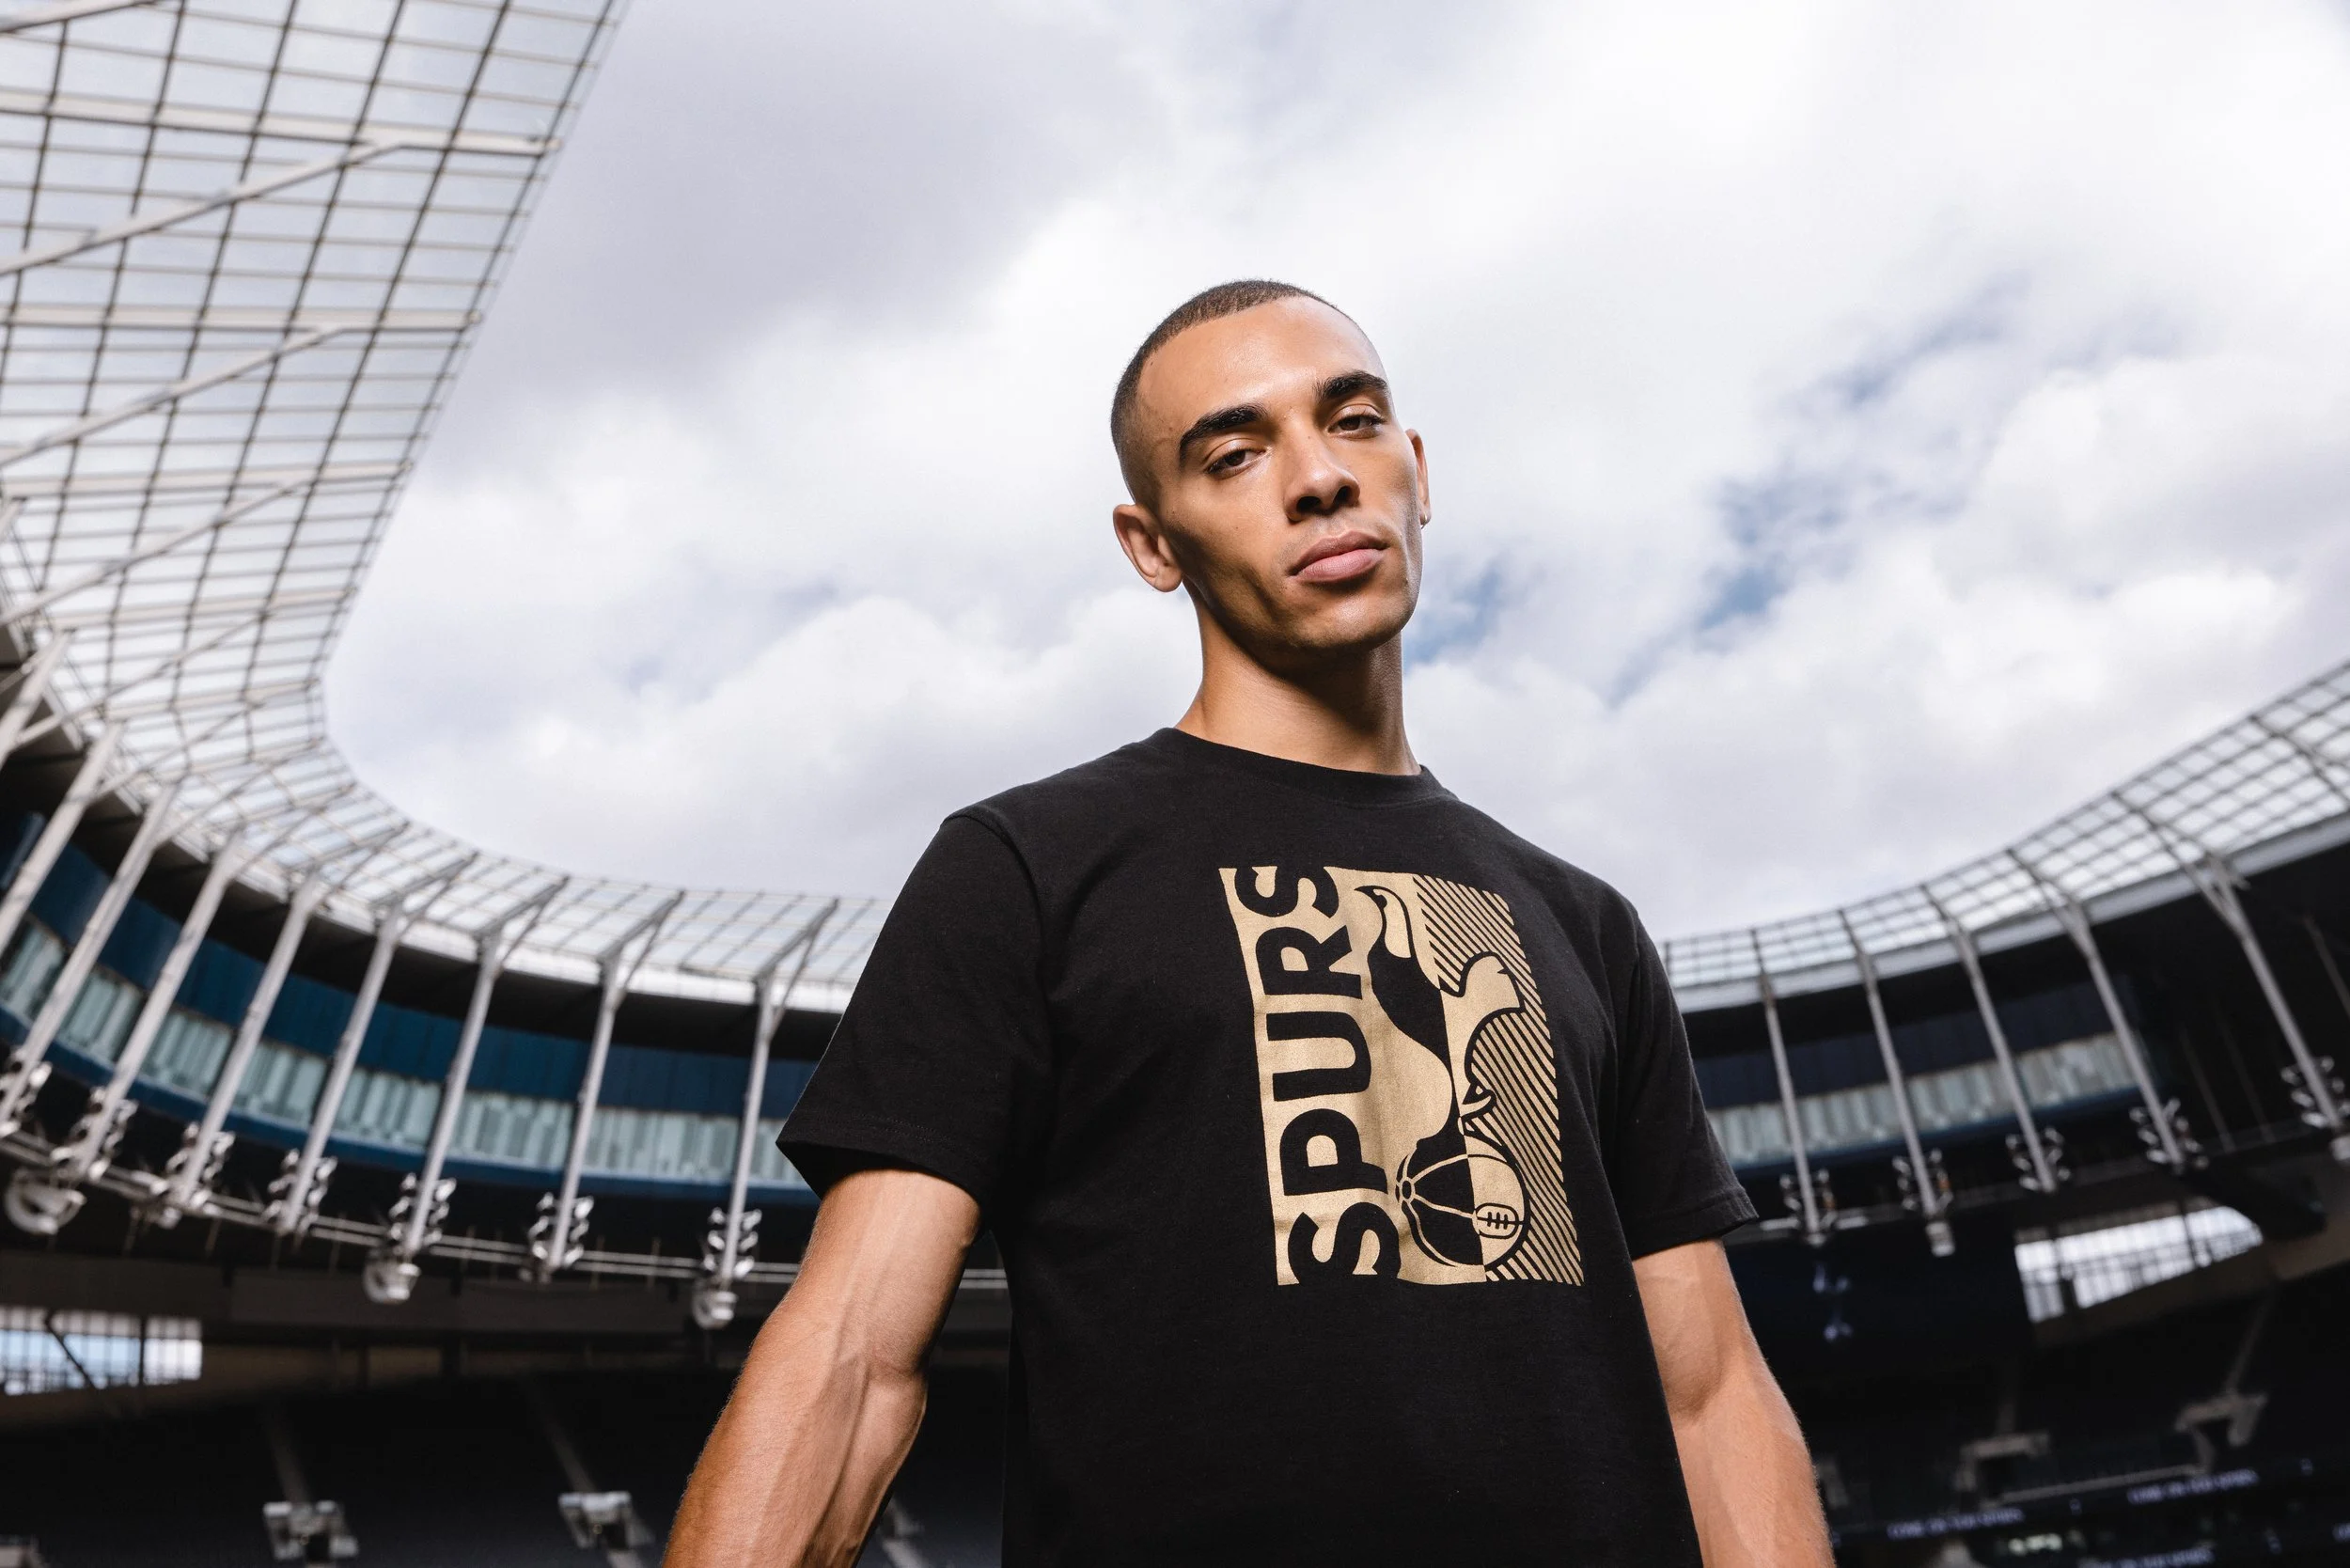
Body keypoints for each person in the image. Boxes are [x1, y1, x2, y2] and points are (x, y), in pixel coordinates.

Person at [665, 281, 1835, 1568]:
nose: (1321, 478)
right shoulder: (1030, 868)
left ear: (1419, 471)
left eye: (1354, 421)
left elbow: (1710, 1396)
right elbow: (852, 1356)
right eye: (1233, 454)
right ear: (1152, 544)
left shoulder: (1585, 922)